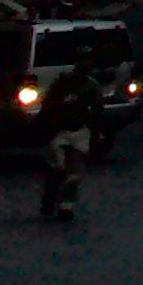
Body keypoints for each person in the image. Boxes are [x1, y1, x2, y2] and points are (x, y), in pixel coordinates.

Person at [37, 47, 106, 223]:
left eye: (89, 61)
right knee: (58, 168)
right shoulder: (63, 82)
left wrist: (98, 133)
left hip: (80, 131)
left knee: (74, 175)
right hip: (60, 131)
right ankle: (50, 197)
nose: (86, 65)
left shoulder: (92, 86)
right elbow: (47, 104)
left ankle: (66, 206)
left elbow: (98, 111)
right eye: (82, 60)